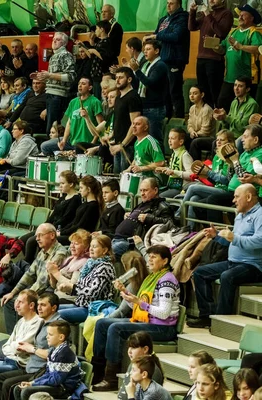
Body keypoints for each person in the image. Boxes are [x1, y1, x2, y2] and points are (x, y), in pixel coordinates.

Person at [92, 245, 180, 391]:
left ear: (165, 261)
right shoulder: (152, 277)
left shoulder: (167, 280)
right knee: (102, 323)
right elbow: (139, 308)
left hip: (163, 327)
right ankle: (98, 372)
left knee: (116, 328)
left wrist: (139, 302)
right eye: (149, 256)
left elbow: (163, 313)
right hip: (148, 321)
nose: (150, 259)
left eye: (154, 257)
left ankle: (111, 378)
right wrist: (126, 294)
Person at [188, 184, 262, 328]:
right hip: (233, 262)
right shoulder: (240, 215)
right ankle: (206, 316)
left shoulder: (260, 215)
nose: (233, 200)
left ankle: (221, 321)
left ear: (248, 197)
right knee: (199, 273)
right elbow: (232, 241)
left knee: (227, 276)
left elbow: (260, 240)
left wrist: (234, 238)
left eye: (236, 197)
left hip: (253, 266)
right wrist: (216, 237)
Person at [0, 292, 63, 400]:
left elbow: (55, 355)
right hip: (31, 368)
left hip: (42, 371)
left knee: (9, 385)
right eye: (38, 304)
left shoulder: (58, 326)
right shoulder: (43, 322)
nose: (38, 308)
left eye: (43, 305)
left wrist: (32, 349)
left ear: (53, 308)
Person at [1, 223, 66, 333]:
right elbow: (29, 274)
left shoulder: (60, 253)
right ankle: (13, 337)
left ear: (52, 235)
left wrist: (25, 297)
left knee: (22, 303)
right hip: (39, 289)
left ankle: (21, 338)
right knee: (9, 300)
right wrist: (13, 292)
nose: (37, 239)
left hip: (49, 291)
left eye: (40, 235)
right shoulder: (42, 252)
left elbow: (44, 281)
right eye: (36, 236)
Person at [13, 320, 82, 400]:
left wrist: (33, 385)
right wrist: (32, 383)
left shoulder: (65, 353)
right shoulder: (54, 350)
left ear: (61, 337)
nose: (47, 337)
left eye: (50, 334)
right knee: (18, 389)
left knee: (26, 391)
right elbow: (48, 373)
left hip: (63, 389)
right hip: (55, 384)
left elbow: (56, 380)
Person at [54, 235, 116, 323]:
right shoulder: (90, 264)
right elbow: (81, 285)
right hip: (81, 304)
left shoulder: (105, 267)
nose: (91, 249)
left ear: (104, 250)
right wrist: (69, 289)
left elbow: (93, 292)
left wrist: (72, 288)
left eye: (94, 247)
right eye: (90, 246)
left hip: (93, 309)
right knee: (50, 309)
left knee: (57, 314)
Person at [145, 0, 189, 118]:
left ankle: (179, 119)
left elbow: (177, 36)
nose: (168, 5)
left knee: (174, 92)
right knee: (164, 93)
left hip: (174, 59)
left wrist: (156, 36)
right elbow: (156, 37)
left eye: (172, 3)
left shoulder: (182, 18)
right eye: (167, 3)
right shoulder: (163, 19)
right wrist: (149, 40)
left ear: (179, 5)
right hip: (162, 60)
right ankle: (167, 117)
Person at [214, 5, 262, 112]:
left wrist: (241, 46)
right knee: (222, 104)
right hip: (229, 78)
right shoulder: (233, 32)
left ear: (251, 18)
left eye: (243, 15)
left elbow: (258, 48)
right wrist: (216, 47)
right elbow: (222, 50)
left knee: (245, 108)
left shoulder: (254, 33)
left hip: (247, 79)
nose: (239, 17)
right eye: (239, 15)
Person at [188, 0, 233, 108]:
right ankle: (207, 119)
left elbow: (221, 32)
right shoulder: (207, 14)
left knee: (215, 92)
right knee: (203, 93)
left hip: (214, 59)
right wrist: (192, 12)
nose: (211, 0)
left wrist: (208, 14)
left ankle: (218, 118)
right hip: (201, 57)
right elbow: (191, 27)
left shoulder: (226, 14)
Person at [129, 40, 169, 144]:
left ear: (156, 51)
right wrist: (131, 73)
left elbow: (150, 83)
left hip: (155, 108)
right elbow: (138, 84)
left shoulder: (160, 65)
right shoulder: (147, 65)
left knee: (155, 139)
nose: (145, 52)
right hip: (145, 106)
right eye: (144, 50)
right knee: (145, 139)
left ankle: (160, 160)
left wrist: (137, 70)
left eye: (148, 49)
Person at [109, 67, 142, 173]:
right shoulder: (118, 97)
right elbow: (118, 121)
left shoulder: (133, 97)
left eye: (121, 78)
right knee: (117, 175)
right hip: (118, 144)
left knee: (125, 177)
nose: (117, 80)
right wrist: (112, 138)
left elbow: (135, 125)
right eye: (116, 77)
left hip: (128, 146)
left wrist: (122, 145)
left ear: (129, 80)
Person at [213, 77, 259, 150]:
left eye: (240, 86)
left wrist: (226, 117)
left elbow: (243, 127)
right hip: (230, 136)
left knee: (235, 144)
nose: (236, 88)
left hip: (242, 137)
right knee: (215, 142)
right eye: (235, 85)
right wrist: (222, 119)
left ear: (247, 89)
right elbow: (228, 124)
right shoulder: (234, 102)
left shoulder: (252, 104)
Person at [158, 128, 194, 198]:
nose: (169, 141)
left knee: (159, 197)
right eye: (169, 138)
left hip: (181, 188)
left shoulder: (185, 155)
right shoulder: (174, 153)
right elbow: (173, 170)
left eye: (173, 138)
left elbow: (191, 175)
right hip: (171, 186)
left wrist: (173, 172)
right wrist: (164, 169)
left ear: (181, 142)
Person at [187, 85, 215, 161]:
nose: (192, 96)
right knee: (181, 137)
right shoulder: (192, 108)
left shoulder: (206, 109)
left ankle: (195, 165)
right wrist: (192, 132)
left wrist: (196, 134)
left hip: (209, 138)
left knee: (195, 142)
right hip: (196, 135)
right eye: (190, 94)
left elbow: (205, 131)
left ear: (202, 95)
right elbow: (189, 125)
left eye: (195, 93)